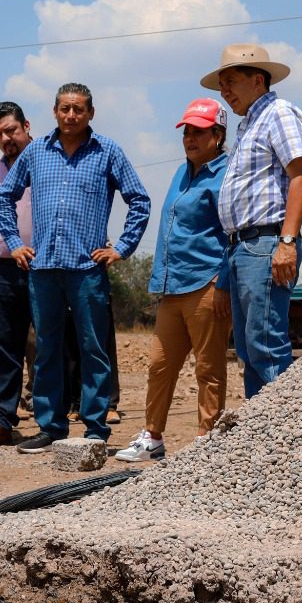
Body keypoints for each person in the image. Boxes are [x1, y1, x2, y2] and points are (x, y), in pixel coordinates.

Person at [0, 82, 150, 452]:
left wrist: (122, 248)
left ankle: (95, 426)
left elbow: (139, 200)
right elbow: (5, 198)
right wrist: (16, 244)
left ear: (90, 113)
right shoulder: (35, 152)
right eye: (64, 108)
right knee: (47, 349)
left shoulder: (108, 151)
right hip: (44, 267)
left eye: (78, 109)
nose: (71, 115)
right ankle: (51, 427)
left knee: (92, 348)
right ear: (54, 112)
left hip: (87, 269)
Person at [117, 98, 230, 463]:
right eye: (187, 131)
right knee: (159, 365)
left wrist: (222, 281)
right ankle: (152, 436)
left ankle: (206, 437)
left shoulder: (227, 174)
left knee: (208, 366)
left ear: (218, 134)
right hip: (172, 285)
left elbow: (232, 233)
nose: (191, 138)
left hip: (205, 283)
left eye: (199, 131)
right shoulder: (181, 172)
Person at [202, 43, 302, 399]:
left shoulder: (278, 113)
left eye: (231, 81)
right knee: (251, 347)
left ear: (258, 79)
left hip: (265, 243)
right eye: (222, 84)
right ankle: (260, 432)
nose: (225, 91)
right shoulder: (248, 124)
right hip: (243, 246)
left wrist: (285, 243)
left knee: (264, 342)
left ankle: (281, 435)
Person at [0, 102, 35, 445]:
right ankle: (3, 420)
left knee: (45, 347)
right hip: (3, 269)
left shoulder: (46, 163)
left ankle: (48, 420)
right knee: (5, 347)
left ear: (26, 125)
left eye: (11, 130)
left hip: (43, 265)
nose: (5, 138)